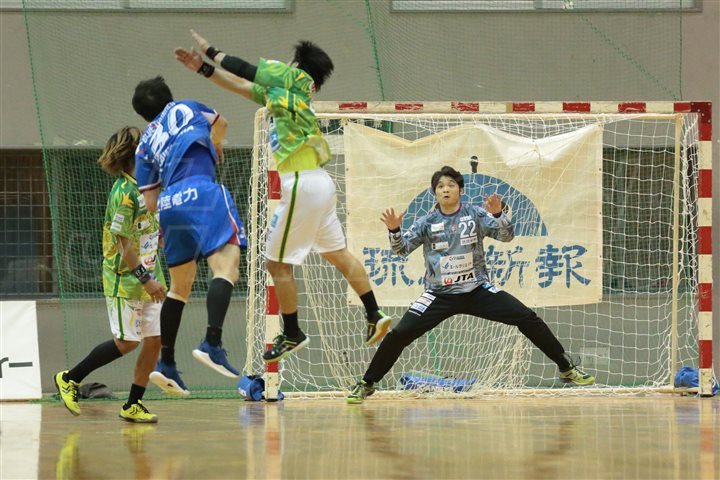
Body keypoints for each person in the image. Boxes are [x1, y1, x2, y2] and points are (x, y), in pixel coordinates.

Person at [173, 31, 391, 363]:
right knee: (338, 254)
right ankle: (375, 312)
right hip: (320, 183)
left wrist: (211, 51)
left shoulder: (294, 78)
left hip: (301, 182)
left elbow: (246, 71)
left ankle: (292, 332)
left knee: (276, 264)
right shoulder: (286, 95)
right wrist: (203, 69)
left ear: (298, 66)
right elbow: (241, 85)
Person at [346, 166, 596, 404]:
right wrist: (394, 230)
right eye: (440, 186)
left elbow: (507, 236)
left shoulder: (475, 214)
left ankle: (566, 367)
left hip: (477, 290)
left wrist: (498, 214)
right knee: (399, 334)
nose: (446, 189)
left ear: (460, 190)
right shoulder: (427, 221)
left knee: (527, 317)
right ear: (435, 192)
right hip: (438, 294)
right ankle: (367, 383)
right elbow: (401, 250)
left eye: (451, 185)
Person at [131, 76, 247, 396]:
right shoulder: (186, 107)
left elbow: (150, 201)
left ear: (143, 114)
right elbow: (222, 123)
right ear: (169, 96)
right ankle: (212, 342)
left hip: (169, 204)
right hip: (201, 190)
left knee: (179, 288)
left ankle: (166, 363)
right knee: (226, 268)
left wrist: (165, 225)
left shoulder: (144, 144)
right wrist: (216, 142)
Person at [53, 126, 167, 423]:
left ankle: (133, 404)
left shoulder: (150, 186)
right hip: (125, 279)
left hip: (151, 274)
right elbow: (124, 245)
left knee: (155, 340)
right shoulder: (124, 194)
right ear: (135, 154)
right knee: (128, 342)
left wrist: (163, 237)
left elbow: (151, 225)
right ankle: (69, 378)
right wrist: (146, 279)